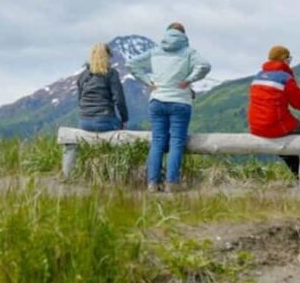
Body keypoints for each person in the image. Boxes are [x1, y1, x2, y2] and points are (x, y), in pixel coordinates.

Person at [128, 22, 211, 193]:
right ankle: (171, 183)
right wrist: (189, 80)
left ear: (167, 33)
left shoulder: (155, 51)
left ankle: (152, 183)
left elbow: (132, 64)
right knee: (176, 143)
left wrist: (147, 81)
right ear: (183, 35)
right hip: (180, 101)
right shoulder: (189, 52)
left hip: (157, 100)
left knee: (157, 142)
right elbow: (205, 66)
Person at [248, 45, 300, 178]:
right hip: (274, 125)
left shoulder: (258, 76)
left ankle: (297, 173)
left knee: (288, 143)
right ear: (285, 59)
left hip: (255, 126)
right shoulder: (284, 78)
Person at [76, 42, 128, 132]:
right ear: (107, 56)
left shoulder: (82, 75)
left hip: (84, 122)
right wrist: (124, 119)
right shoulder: (111, 74)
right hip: (104, 120)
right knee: (121, 129)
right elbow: (119, 99)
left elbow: (80, 99)